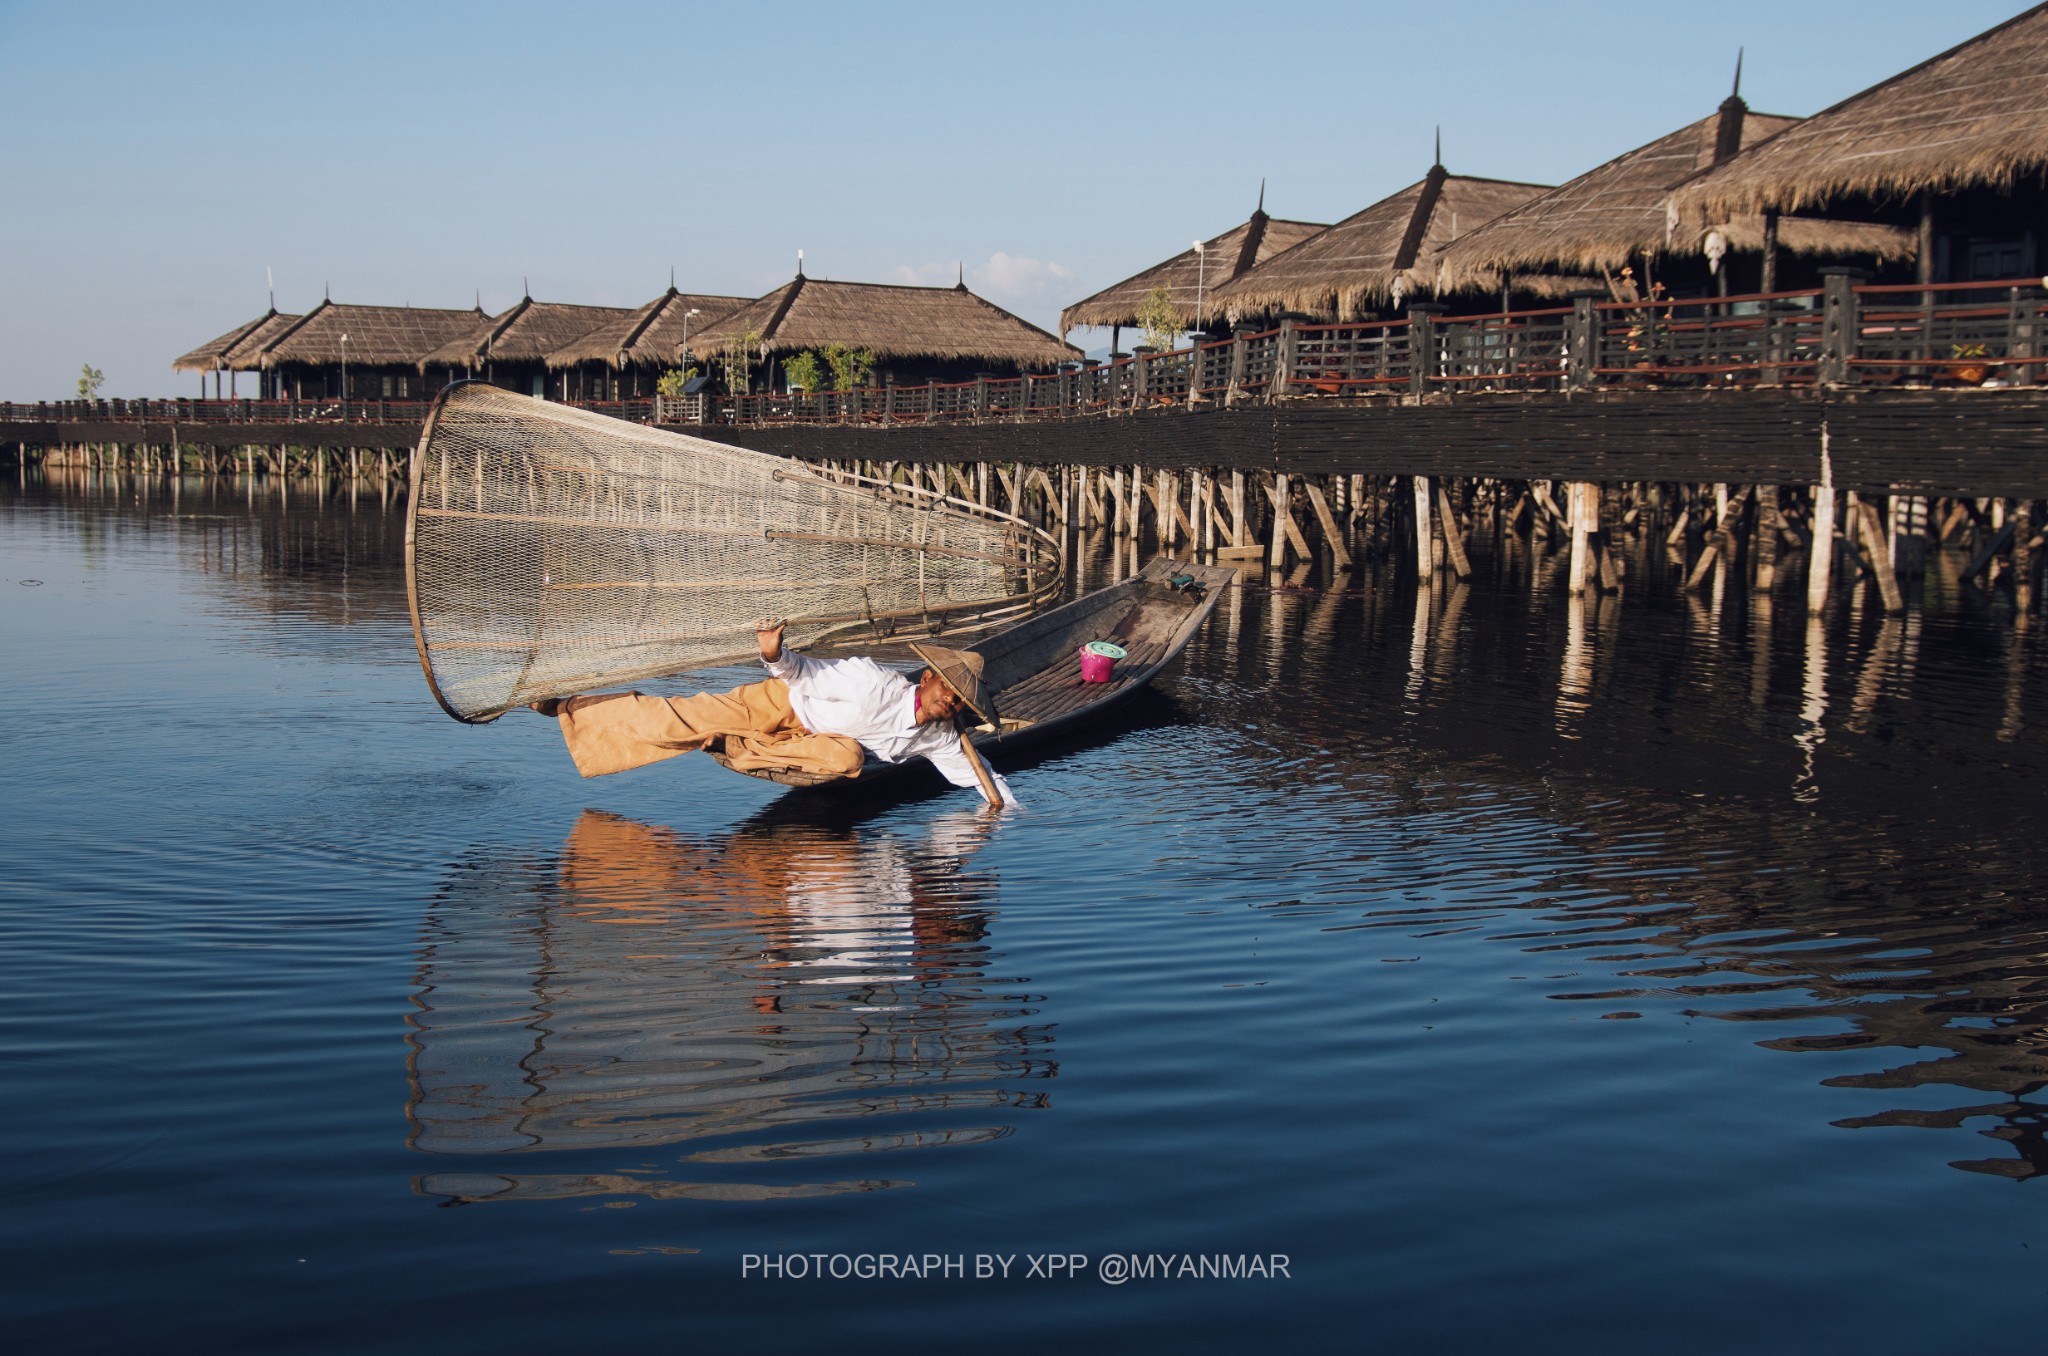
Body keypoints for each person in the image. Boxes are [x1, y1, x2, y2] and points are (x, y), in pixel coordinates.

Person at [530, 618, 1018, 807]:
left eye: (956, 702)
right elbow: (803, 673)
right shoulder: (874, 681)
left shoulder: (941, 736)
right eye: (946, 690)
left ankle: (729, 746)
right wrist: (773, 654)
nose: (947, 703)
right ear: (927, 677)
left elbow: (979, 775)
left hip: (816, 747)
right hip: (782, 706)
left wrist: (1007, 811)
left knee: (847, 760)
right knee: (674, 720)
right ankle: (569, 707)